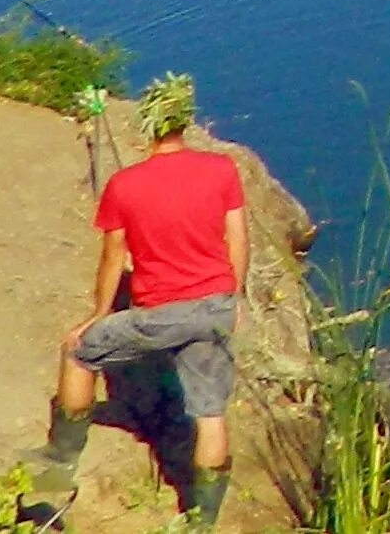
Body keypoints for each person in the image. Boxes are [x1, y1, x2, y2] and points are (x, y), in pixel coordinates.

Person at [27, 74, 247, 526]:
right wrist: (234, 297)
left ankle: (60, 461)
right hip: (215, 307)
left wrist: (98, 314)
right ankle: (202, 520)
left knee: (78, 352)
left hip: (160, 313)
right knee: (210, 415)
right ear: (183, 123)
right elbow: (238, 239)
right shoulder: (221, 170)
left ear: (148, 128)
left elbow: (113, 257)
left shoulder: (125, 185)